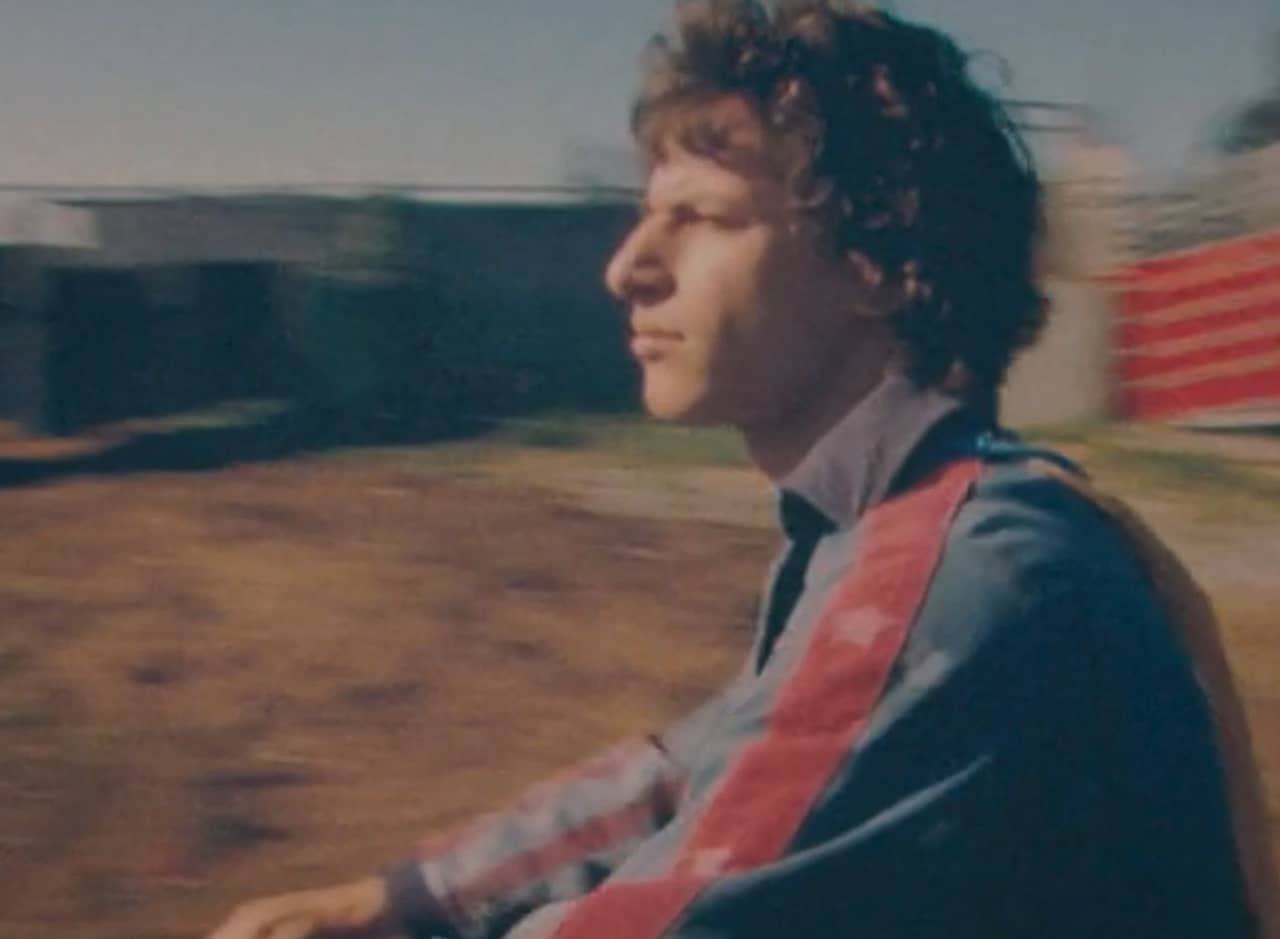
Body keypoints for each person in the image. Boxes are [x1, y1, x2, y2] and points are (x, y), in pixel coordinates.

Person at [207, 2, 1276, 937]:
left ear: (871, 263)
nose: (626, 266)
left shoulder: (955, 581)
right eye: (645, 212)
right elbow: (697, 769)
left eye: (703, 217)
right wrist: (404, 898)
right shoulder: (936, 514)